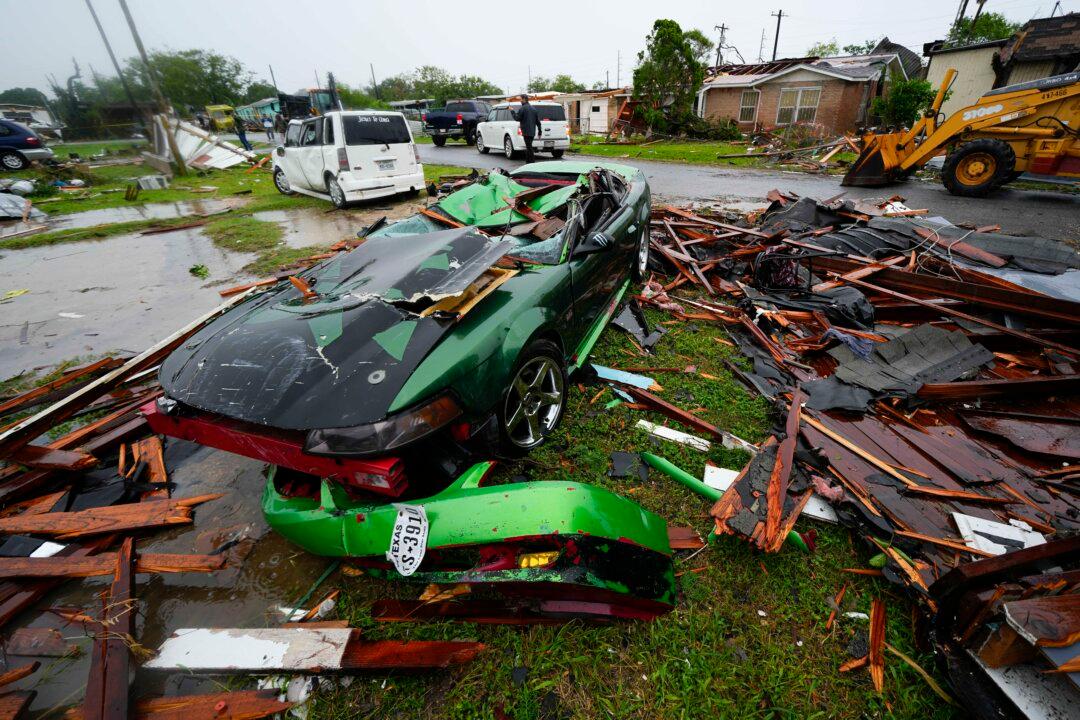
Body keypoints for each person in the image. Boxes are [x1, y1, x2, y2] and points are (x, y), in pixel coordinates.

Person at [513, 94, 543, 163]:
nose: (520, 101)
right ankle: (528, 162)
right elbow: (538, 122)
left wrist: (512, 111)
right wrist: (539, 131)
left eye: (520, 99)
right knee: (529, 146)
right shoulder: (533, 109)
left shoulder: (522, 108)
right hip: (532, 131)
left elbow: (517, 118)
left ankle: (531, 162)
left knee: (529, 147)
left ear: (524, 99)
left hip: (526, 131)